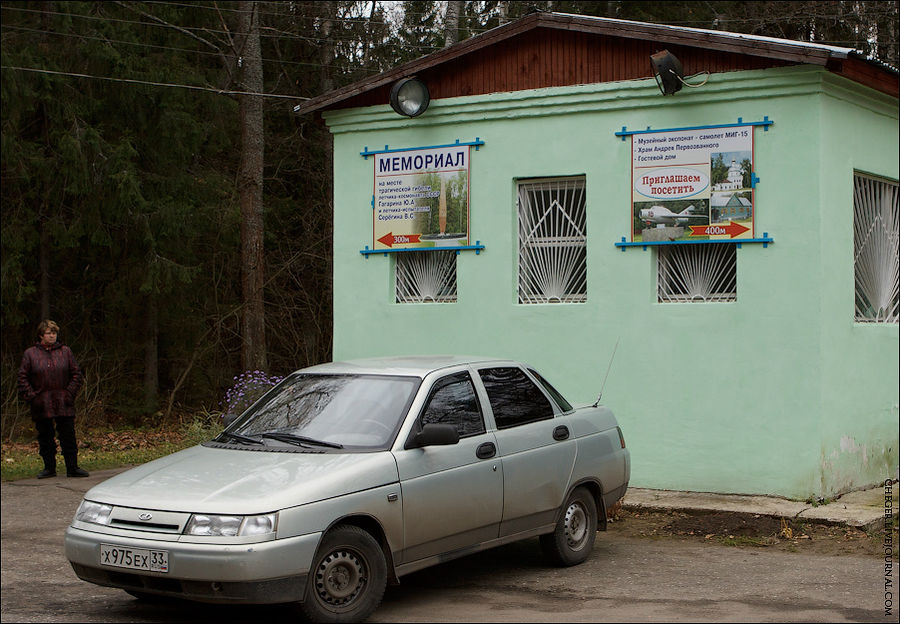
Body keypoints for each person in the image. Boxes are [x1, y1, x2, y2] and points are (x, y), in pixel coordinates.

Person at [17, 320, 89, 478]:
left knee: (68, 435)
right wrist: (32, 397)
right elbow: (22, 378)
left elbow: (76, 374)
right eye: (49, 333)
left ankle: (72, 467)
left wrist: (69, 392)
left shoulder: (65, 351)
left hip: (64, 401)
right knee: (45, 436)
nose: (52, 336)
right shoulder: (31, 354)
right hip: (41, 402)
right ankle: (49, 468)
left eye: (54, 333)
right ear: (41, 335)